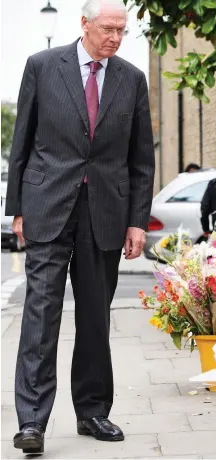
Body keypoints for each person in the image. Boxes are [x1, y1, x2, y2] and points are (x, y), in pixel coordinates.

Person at [6, 0, 155, 454]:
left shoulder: (132, 79)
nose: (115, 37)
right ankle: (32, 421)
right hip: (48, 205)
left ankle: (92, 412)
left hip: (105, 213)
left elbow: (141, 159)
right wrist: (17, 208)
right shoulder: (43, 66)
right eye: (108, 28)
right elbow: (22, 141)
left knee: (95, 318)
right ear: (84, 25)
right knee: (40, 315)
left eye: (121, 30)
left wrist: (137, 221)